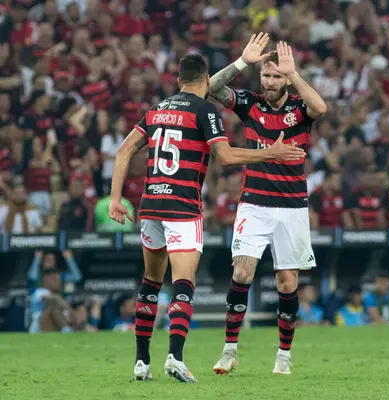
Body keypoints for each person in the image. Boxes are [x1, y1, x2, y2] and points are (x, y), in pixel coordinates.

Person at [108, 51, 305, 383]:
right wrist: (269, 152)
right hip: (182, 206)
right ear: (205, 78)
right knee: (184, 283)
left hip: (150, 205)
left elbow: (124, 149)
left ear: (177, 79)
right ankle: (175, 357)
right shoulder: (204, 110)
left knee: (151, 282)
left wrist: (115, 198)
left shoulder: (157, 110)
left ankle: (141, 362)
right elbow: (225, 156)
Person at [208, 36, 327, 375]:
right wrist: (242, 62)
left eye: (277, 76)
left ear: (286, 79)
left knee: (287, 283)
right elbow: (211, 89)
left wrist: (296, 75)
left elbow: (321, 109)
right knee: (242, 272)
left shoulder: (299, 109)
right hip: (254, 204)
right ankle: (230, 350)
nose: (271, 82)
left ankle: (284, 355)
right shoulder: (250, 103)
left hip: (291, 206)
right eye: (266, 75)